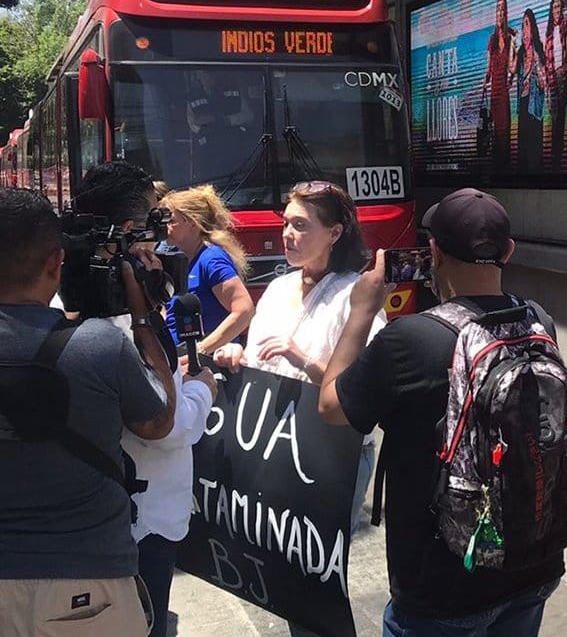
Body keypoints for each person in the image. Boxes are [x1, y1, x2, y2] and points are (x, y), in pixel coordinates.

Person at [318, 188, 565, 637]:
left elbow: (332, 406)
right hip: (534, 561)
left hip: (443, 583)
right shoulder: (538, 321)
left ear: (432, 253)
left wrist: (361, 310)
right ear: (509, 251)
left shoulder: (409, 340)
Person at [0, 187, 198, 637]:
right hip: (85, 583)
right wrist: (144, 317)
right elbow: (161, 419)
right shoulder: (98, 348)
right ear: (56, 262)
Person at [75, 161, 219, 637]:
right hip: (142, 522)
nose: (159, 250)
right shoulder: (118, 328)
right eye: (151, 230)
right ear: (128, 232)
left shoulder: (62, 300)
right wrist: (200, 388)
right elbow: (166, 427)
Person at [212, 181, 383, 536]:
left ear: (335, 233)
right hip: (271, 445)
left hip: (329, 456)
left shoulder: (356, 297)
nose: (288, 234)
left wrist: (302, 358)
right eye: (287, 223)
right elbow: (260, 357)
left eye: (301, 226)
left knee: (314, 570)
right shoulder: (277, 289)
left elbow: (363, 396)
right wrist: (236, 355)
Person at [160, 185, 255, 354]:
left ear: (193, 223)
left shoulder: (211, 259)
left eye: (171, 221)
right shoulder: (180, 259)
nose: (165, 227)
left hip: (207, 366)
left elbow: (244, 310)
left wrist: (201, 349)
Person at [482, 0, 514, 168]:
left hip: (504, 94)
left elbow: (513, 67)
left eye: (503, 9)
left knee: (505, 134)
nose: (500, 13)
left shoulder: (510, 39)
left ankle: (505, 170)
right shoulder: (492, 39)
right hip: (494, 93)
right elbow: (488, 70)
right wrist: (484, 84)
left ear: (506, 12)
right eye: (498, 9)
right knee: (495, 136)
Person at [511, 8, 545, 173]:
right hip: (523, 104)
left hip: (535, 107)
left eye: (526, 24)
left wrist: (537, 62)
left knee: (535, 147)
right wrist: (513, 43)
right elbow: (511, 70)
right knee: (522, 145)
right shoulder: (520, 52)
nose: (524, 28)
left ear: (532, 27)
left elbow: (542, 84)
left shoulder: (539, 49)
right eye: (522, 24)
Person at [544, 0, 567, 172]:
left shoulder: (563, 26)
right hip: (552, 79)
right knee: (554, 117)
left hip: (562, 75)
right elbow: (547, 61)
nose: (556, 9)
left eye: (559, 6)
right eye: (554, 6)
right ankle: (554, 156)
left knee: (561, 116)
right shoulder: (548, 34)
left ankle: (558, 155)